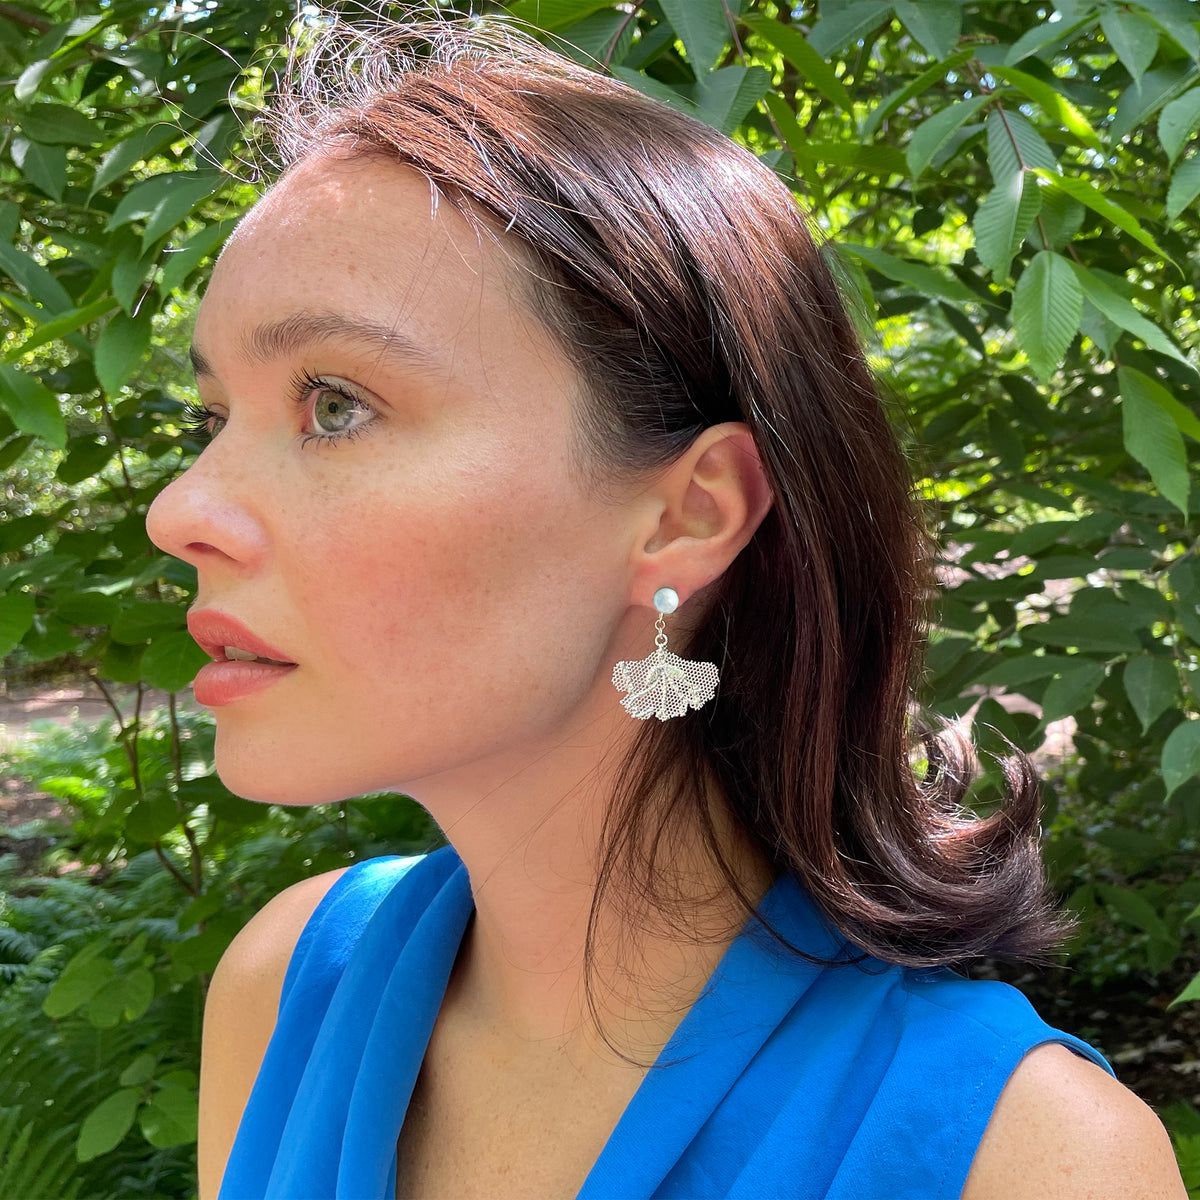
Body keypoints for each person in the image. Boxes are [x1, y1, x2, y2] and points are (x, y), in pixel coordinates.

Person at [144, 9, 1186, 1200]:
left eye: (335, 404)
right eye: (212, 417)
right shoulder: (285, 990)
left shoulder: (1020, 1159)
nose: (180, 508)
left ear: (690, 515)